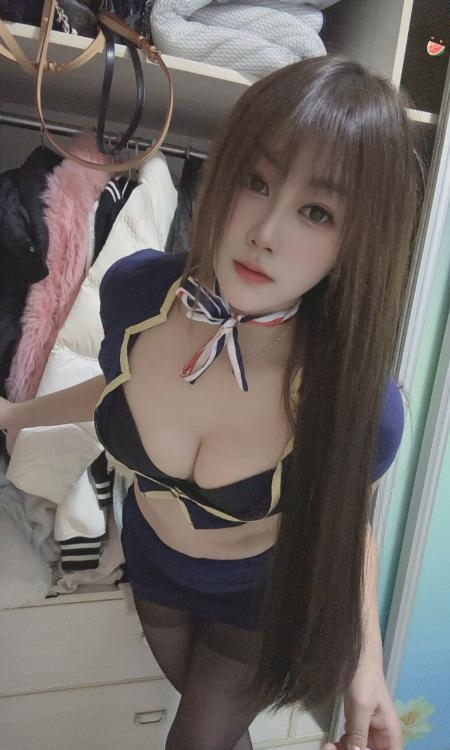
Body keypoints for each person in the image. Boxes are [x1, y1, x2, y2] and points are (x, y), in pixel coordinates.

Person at [0, 56, 419, 750]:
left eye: (316, 211)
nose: (265, 231)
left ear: (356, 242)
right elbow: (119, 385)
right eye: (256, 181)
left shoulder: (356, 403)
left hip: (250, 603)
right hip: (153, 568)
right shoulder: (139, 293)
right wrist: (14, 415)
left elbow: (349, 521)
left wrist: (365, 665)